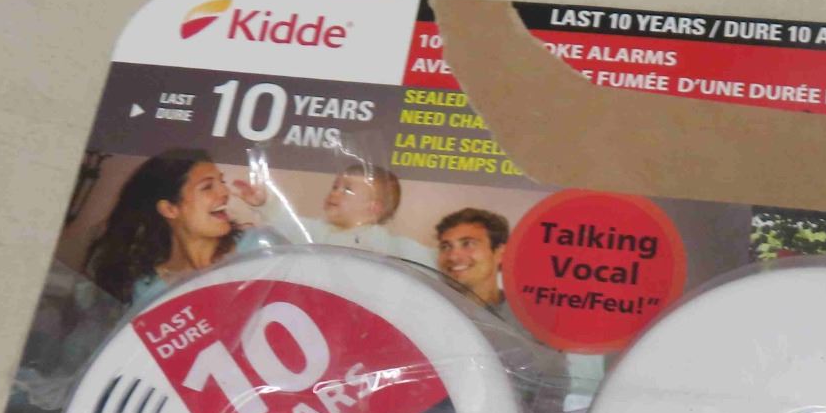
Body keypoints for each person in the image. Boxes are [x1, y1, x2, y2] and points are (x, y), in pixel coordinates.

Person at [84, 149, 273, 308]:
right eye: (207, 186)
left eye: (221, 182)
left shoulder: (257, 245)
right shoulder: (147, 294)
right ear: (169, 209)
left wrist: (269, 207)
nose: (225, 192)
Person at [260, 163, 433, 266]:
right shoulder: (318, 231)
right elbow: (289, 223)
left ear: (373, 208)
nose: (334, 193)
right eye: (335, 187)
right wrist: (264, 203)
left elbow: (424, 257)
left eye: (347, 190)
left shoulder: (382, 241)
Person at [435, 207, 512, 312]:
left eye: (468, 244)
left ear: (500, 254)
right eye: (445, 247)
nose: (453, 257)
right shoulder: (426, 309)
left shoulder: (525, 315)